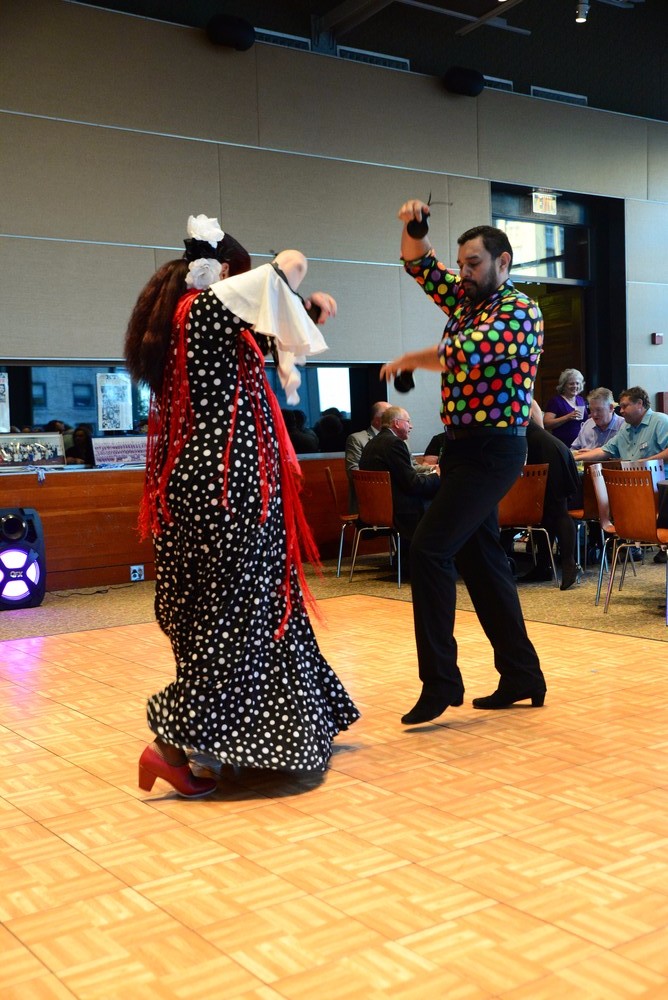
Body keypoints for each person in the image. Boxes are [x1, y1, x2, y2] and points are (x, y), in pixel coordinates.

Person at [124, 213, 359, 797]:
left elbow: (270, 325)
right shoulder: (206, 309)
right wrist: (291, 286)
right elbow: (293, 261)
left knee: (234, 610)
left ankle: (253, 734)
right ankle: (170, 745)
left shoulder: (188, 321)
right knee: (237, 614)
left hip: (204, 487)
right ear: (227, 273)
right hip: (225, 490)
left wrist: (302, 310)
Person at [380, 200, 546, 725]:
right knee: (482, 562)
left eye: (473, 263)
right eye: (462, 263)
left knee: (429, 549)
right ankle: (522, 674)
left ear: (503, 262)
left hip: (494, 449)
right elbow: (419, 265)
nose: (464, 272)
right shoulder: (468, 301)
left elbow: (465, 353)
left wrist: (410, 360)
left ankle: (441, 683)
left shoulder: (519, 311)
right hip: (462, 448)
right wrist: (415, 227)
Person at [358, 405, 440, 556]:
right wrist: (437, 477)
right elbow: (413, 484)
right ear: (396, 423)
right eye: (408, 421)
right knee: (443, 504)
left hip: (376, 509)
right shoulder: (394, 444)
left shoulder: (373, 443)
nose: (411, 426)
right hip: (399, 511)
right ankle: (434, 558)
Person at [521, 401, 581, 591]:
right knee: (545, 513)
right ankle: (543, 566)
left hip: (549, 453)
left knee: (558, 510)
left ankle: (570, 564)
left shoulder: (514, 399)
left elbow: (538, 423)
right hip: (545, 450)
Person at [573, 386, 668, 463]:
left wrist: (645, 463)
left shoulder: (660, 421)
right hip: (630, 478)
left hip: (659, 479)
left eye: (625, 406)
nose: (621, 411)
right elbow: (605, 450)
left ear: (639, 404)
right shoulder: (625, 427)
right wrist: (573, 458)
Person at [344, 401, 391, 509]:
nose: (393, 418)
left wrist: (430, 469)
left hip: (397, 497)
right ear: (378, 419)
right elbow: (353, 473)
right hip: (369, 498)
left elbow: (412, 465)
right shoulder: (357, 439)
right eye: (389, 415)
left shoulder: (399, 439)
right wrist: (389, 480)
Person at [543, 368, 588, 447]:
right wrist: (568, 417)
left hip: (581, 444)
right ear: (563, 385)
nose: (575, 386)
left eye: (577, 383)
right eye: (571, 384)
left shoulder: (580, 399)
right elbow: (546, 423)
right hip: (562, 444)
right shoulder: (556, 401)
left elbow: (585, 421)